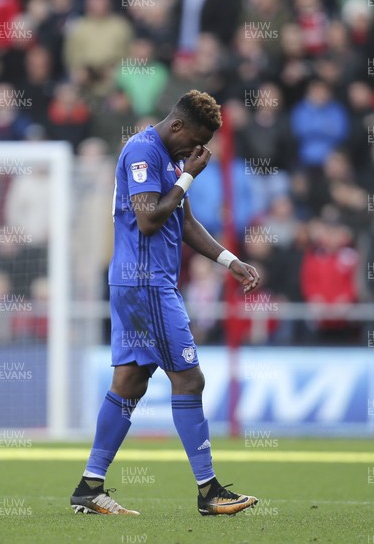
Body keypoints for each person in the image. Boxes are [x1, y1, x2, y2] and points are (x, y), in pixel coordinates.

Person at [70, 90, 260, 516]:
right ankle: (209, 493)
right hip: (147, 283)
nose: (199, 150)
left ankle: (89, 486)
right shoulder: (143, 151)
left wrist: (230, 260)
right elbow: (149, 217)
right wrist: (188, 176)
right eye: (196, 139)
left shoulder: (171, 160)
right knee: (189, 380)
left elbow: (184, 221)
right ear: (177, 126)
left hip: (143, 283)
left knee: (130, 384)